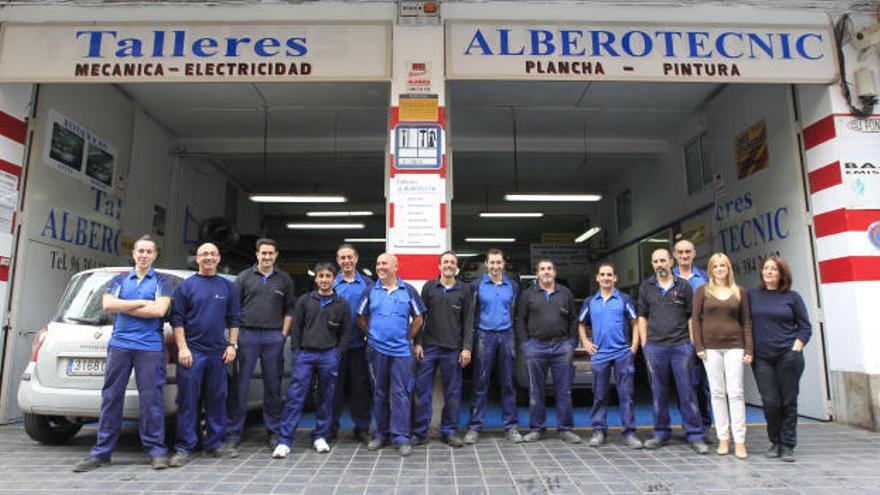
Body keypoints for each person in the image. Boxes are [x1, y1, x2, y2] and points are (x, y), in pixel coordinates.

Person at [73, 235, 173, 472]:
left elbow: (159, 310)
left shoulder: (162, 281)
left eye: (149, 251)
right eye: (140, 251)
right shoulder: (119, 279)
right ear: (134, 253)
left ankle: (156, 451)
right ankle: (102, 452)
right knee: (111, 398)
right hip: (120, 345)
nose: (144, 255)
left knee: (151, 400)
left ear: (155, 255)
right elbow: (108, 305)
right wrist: (141, 303)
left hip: (149, 347)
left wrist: (125, 305)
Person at [169, 243, 240, 467]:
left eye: (212, 254)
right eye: (204, 254)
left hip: (218, 354)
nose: (208, 257)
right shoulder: (186, 287)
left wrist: (232, 346)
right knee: (188, 401)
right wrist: (182, 348)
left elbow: (235, 319)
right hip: (192, 352)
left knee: (217, 399)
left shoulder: (228, 287)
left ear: (218, 258)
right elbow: (177, 320)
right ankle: (184, 447)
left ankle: (215, 444)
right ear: (196, 258)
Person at [272, 263, 349, 458]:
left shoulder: (341, 304)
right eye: (321, 276)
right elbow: (296, 329)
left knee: (326, 398)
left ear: (334, 279)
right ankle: (284, 441)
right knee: (295, 397)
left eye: (328, 276)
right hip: (305, 355)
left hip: (328, 356)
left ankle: (320, 436)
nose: (324, 280)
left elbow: (346, 333)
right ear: (316, 278)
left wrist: (337, 353)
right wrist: (297, 351)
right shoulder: (305, 301)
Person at [225, 238, 295, 450]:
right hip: (248, 336)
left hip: (273, 337)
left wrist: (282, 334)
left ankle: (273, 432)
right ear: (257, 254)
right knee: (241, 386)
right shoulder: (244, 278)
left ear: (276, 255)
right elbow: (234, 310)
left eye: (270, 253)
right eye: (263, 253)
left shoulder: (284, 279)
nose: (267, 257)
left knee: (273, 387)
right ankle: (233, 434)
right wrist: (234, 341)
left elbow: (289, 309)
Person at [637, 248, 708, 454]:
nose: (660, 264)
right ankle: (660, 433)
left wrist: (691, 344)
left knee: (688, 392)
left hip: (681, 347)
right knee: (658, 394)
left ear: (671, 262)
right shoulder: (646, 287)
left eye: (663, 260)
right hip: (655, 348)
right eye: (655, 261)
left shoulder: (684, 286)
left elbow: (691, 317)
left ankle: (695, 435)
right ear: (652, 264)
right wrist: (645, 344)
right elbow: (642, 316)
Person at [356, 253, 425, 457]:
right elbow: (360, 316)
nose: (380, 266)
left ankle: (401, 437)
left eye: (384, 263)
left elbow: (419, 318)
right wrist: (371, 335)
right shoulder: (371, 290)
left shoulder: (408, 290)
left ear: (396, 267)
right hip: (376, 350)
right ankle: (380, 434)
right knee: (379, 393)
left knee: (401, 394)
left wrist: (407, 337)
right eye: (378, 263)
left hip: (402, 352)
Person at [748, 255, 811, 463]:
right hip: (762, 358)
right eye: (766, 268)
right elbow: (744, 323)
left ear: (781, 274)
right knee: (770, 402)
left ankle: (788, 445)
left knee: (788, 401)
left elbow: (805, 326)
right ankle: (775, 441)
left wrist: (797, 347)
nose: (768, 272)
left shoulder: (792, 297)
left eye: (773, 269)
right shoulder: (752, 296)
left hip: (788, 356)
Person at [691, 253, 753, 459]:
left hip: (735, 346)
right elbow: (695, 321)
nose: (719, 269)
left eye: (723, 265)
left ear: (728, 268)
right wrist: (699, 346)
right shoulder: (702, 291)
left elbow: (746, 322)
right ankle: (723, 439)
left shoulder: (739, 291)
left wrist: (749, 349)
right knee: (717, 393)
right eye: (715, 266)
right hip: (710, 348)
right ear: (710, 270)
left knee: (736, 392)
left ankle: (740, 441)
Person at [515, 259, 581, 444]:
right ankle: (537, 428)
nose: (546, 271)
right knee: (536, 390)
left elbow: (574, 319)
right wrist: (525, 344)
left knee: (564, 390)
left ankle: (565, 429)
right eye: (542, 269)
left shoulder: (565, 293)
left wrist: (571, 343)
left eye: (549, 268)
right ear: (537, 273)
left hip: (562, 347)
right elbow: (520, 320)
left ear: (555, 271)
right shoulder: (528, 294)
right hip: (536, 347)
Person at [577, 263, 642, 449]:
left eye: (609, 275)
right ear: (597, 278)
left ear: (615, 278)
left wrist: (634, 347)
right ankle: (599, 430)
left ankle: (629, 432)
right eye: (603, 274)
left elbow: (635, 322)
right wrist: (586, 342)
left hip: (622, 353)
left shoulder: (624, 298)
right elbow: (580, 323)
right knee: (599, 395)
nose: (606, 277)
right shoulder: (590, 301)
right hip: (600, 355)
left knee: (626, 394)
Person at [413, 251, 472, 448]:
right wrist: (418, 343)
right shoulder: (429, 287)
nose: (448, 265)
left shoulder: (464, 290)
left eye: (452, 262)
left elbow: (468, 321)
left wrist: (466, 348)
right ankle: (420, 432)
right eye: (445, 262)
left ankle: (449, 431)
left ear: (456, 267)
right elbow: (421, 318)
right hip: (428, 348)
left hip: (453, 350)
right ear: (439, 266)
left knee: (453, 393)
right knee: (422, 391)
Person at [463, 248, 523, 445]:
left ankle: (511, 427)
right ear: (486, 265)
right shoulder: (475, 286)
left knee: (507, 382)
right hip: (483, 336)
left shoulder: (513, 286)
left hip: (506, 335)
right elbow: (471, 314)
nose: (496, 266)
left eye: (499, 263)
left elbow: (513, 311)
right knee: (480, 383)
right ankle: (474, 427)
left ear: (503, 264)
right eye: (492, 263)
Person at [329, 243, 374, 444]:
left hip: (358, 345)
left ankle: (362, 428)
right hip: (333, 347)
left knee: (360, 389)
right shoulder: (330, 282)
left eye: (350, 257)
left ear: (356, 259)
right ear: (338, 260)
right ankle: (330, 428)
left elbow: (374, 311)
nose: (346, 261)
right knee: (332, 388)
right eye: (342, 258)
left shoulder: (368, 283)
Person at [673, 239, 714, 442]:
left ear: (694, 254)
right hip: (677, 340)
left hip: (702, 339)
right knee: (684, 385)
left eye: (688, 252)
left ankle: (705, 427)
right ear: (675, 255)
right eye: (680, 252)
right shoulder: (667, 279)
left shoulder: (705, 278)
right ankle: (690, 425)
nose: (684, 255)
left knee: (703, 386)